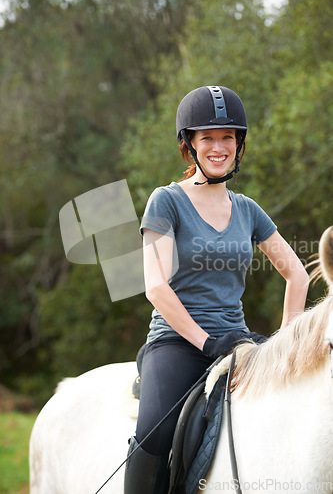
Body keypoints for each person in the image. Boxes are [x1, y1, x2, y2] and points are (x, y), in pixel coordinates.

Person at [124, 85, 309, 493]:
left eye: (228, 137)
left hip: (236, 342)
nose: (219, 147)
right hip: (177, 342)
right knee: (155, 429)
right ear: (189, 145)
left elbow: (298, 275)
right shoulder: (165, 202)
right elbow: (155, 286)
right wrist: (206, 342)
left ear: (239, 144)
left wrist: (286, 343)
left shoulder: (248, 209)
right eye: (207, 137)